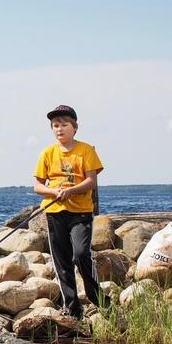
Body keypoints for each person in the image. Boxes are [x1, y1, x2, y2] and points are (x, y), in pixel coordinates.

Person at [33, 105, 106, 319]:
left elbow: (91, 181)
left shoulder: (86, 151)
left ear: (74, 128)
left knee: (81, 254)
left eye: (64, 125)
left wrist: (71, 191)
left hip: (80, 212)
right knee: (61, 260)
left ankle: (97, 296)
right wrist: (53, 191)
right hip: (54, 211)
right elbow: (37, 186)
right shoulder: (47, 152)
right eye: (55, 125)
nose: (59, 129)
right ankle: (72, 308)